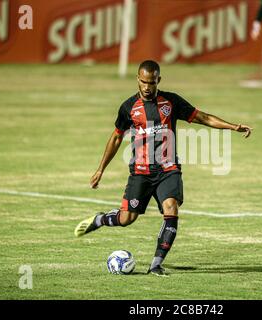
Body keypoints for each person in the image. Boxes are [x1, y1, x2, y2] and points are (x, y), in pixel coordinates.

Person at [74, 60, 252, 276]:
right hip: (140, 172)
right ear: (138, 79)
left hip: (168, 170)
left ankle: (156, 264)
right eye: (143, 82)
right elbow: (115, 138)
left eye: (151, 82)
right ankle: (101, 219)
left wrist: (233, 127)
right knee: (126, 219)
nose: (147, 87)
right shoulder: (128, 107)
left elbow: (202, 117)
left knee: (171, 209)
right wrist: (100, 169)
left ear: (159, 80)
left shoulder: (171, 101)